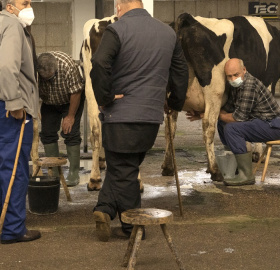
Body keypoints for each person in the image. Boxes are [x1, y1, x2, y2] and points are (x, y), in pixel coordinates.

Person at [90, 0, 188, 242]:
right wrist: (174, 103)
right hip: (150, 118)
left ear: (120, 6)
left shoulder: (117, 30)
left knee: (123, 170)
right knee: (124, 167)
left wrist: (105, 97)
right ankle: (104, 209)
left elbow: (99, 63)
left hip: (120, 116)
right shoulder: (168, 33)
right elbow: (181, 72)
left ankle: (130, 227)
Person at [0, 0, 41, 244]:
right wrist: (15, 103)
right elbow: (6, 67)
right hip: (9, 110)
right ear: (10, 6)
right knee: (16, 170)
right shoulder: (13, 27)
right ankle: (14, 229)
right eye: (24, 2)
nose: (29, 6)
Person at [187, 58, 280, 186]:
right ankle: (233, 165)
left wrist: (211, 115)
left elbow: (237, 118)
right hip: (259, 122)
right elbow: (226, 110)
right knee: (223, 124)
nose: (233, 79)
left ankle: (246, 175)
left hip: (273, 125)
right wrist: (204, 114)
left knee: (232, 128)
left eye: (236, 75)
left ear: (244, 70)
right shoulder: (236, 86)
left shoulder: (249, 85)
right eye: (229, 76)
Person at [37, 51, 85, 186]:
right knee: (47, 134)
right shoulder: (35, 68)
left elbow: (76, 92)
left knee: (71, 132)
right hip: (49, 102)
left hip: (71, 99)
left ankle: (74, 172)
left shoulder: (68, 66)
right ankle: (55, 172)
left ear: (56, 69)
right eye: (45, 79)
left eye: (51, 78)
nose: (48, 81)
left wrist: (70, 116)